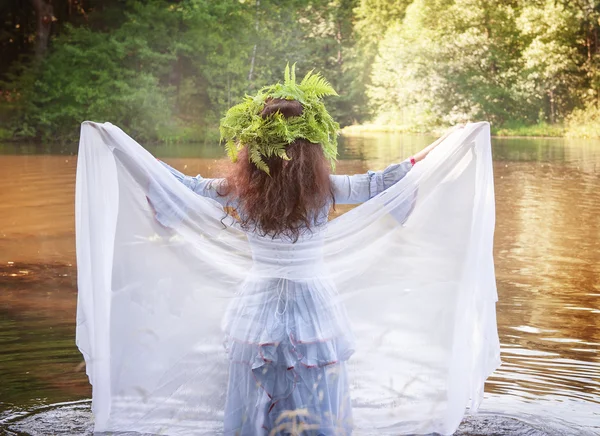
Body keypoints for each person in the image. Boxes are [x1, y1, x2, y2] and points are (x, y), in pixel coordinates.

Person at [150, 67, 461, 435]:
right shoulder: (325, 187)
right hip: (314, 306)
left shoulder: (238, 188)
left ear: (255, 144)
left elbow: (185, 186)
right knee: (315, 390)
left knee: (256, 391)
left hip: (258, 306)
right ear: (311, 145)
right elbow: (384, 182)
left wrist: (126, 151)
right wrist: (447, 143)